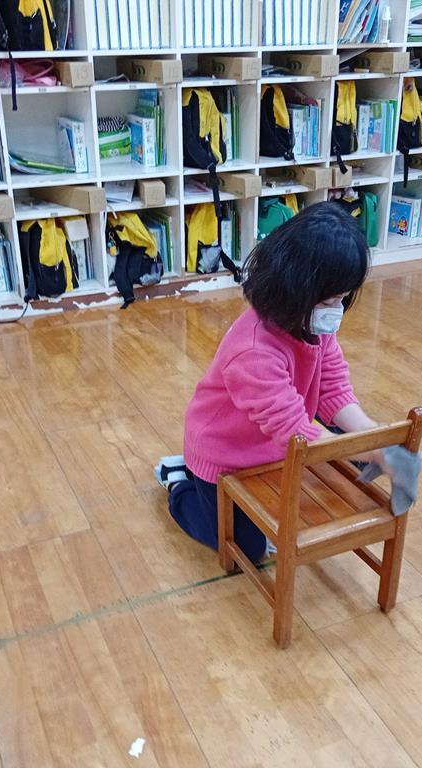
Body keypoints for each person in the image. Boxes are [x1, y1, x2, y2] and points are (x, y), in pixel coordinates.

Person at [153, 202, 383, 562]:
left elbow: (333, 389)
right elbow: (294, 431)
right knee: (247, 546)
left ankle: (201, 486)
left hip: (275, 444)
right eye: (331, 300)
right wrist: (373, 449)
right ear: (297, 289)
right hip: (226, 454)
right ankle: (180, 484)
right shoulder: (253, 350)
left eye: (341, 299)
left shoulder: (311, 321)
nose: (337, 310)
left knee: (357, 462)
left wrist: (374, 437)